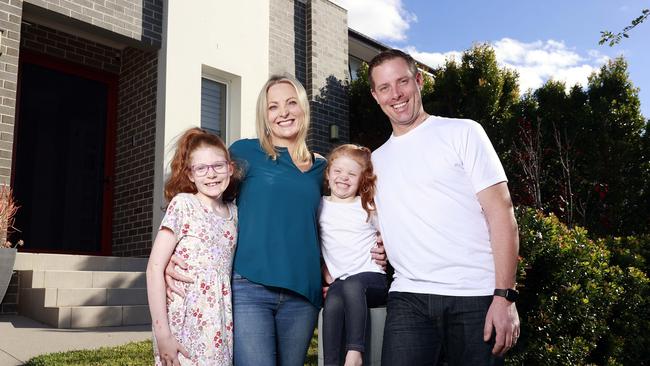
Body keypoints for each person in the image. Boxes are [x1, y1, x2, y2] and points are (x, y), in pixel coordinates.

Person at [164, 75, 387, 366]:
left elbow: (342, 217)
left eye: (291, 103)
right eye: (273, 106)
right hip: (250, 287)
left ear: (303, 109)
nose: (283, 112)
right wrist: (173, 252)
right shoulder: (245, 152)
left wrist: (378, 244)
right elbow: (201, 190)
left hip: (303, 294)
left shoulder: (323, 169)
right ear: (264, 115)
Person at [367, 49, 521, 365]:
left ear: (419, 81)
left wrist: (505, 297)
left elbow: (502, 213)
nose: (395, 94)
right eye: (385, 87)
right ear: (375, 95)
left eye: (402, 82)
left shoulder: (462, 132)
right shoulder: (375, 161)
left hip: (475, 296)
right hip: (408, 298)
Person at [146, 128, 239, 365]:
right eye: (201, 168)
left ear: (230, 168)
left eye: (218, 166)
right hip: (183, 322)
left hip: (218, 327)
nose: (211, 174)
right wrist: (162, 334)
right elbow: (154, 268)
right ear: (190, 174)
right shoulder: (183, 205)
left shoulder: (235, 214)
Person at [319, 144, 388, 366]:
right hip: (341, 282)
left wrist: (385, 247)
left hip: (373, 279)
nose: (343, 178)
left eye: (352, 174)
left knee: (351, 284)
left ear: (362, 180)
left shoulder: (367, 206)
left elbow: (392, 235)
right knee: (334, 298)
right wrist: (325, 272)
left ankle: (355, 354)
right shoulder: (320, 206)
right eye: (338, 171)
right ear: (328, 174)